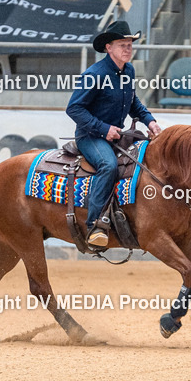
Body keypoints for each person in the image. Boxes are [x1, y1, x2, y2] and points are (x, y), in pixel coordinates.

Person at [66, 20, 162, 247]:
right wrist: (103, 128)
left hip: (116, 136)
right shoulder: (95, 74)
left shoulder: (128, 70)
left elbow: (133, 102)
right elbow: (74, 108)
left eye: (130, 44)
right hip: (90, 136)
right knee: (108, 165)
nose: (128, 49)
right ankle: (94, 226)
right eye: (122, 44)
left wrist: (150, 121)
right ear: (109, 48)